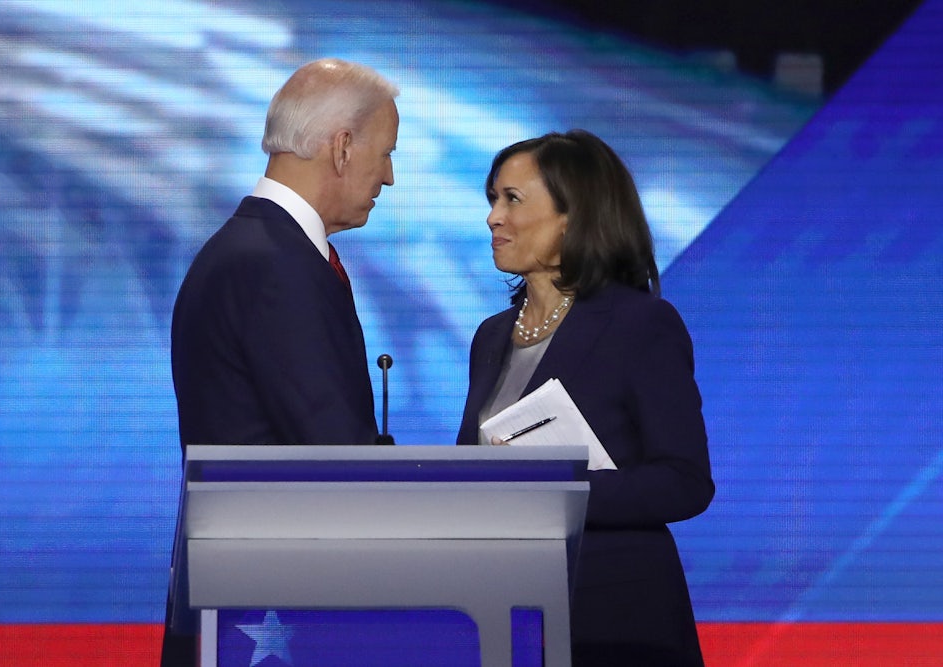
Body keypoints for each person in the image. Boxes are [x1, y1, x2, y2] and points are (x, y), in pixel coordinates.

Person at [161, 58, 399, 666]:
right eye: (386, 153)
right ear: (342, 147)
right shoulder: (273, 265)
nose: (389, 177)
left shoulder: (254, 248)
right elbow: (331, 450)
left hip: (247, 588)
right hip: (271, 608)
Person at [456, 130, 714, 666]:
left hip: (613, 620)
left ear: (572, 215)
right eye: (492, 200)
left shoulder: (640, 324)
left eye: (513, 199)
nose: (493, 218)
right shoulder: (490, 336)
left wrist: (552, 488)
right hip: (505, 615)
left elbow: (685, 482)